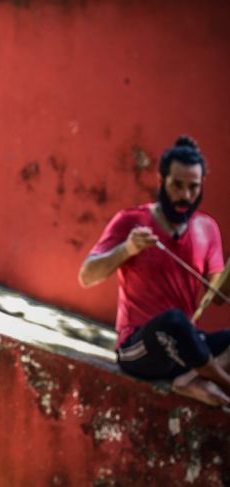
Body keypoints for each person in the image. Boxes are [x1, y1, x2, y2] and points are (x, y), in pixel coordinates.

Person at [78, 136, 230, 406]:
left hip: (185, 349)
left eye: (193, 187)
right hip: (139, 349)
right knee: (173, 321)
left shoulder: (208, 229)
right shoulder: (131, 221)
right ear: (161, 181)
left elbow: (217, 296)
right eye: (177, 185)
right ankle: (221, 380)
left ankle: (191, 379)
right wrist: (127, 249)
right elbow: (86, 276)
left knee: (183, 328)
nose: (185, 196)